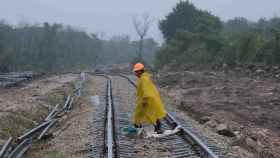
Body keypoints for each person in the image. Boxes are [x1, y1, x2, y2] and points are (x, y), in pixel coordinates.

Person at [132, 63, 167, 134]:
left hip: (147, 100)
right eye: (135, 72)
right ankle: (157, 129)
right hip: (148, 99)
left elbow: (146, 90)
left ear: (140, 71)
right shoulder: (144, 77)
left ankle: (138, 128)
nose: (135, 73)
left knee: (141, 114)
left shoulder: (144, 78)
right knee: (150, 114)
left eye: (136, 71)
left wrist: (145, 100)